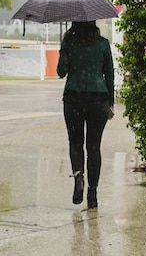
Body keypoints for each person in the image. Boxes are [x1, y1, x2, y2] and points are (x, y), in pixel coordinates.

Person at [56, 20, 115, 209]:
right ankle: (93, 194)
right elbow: (110, 75)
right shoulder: (103, 43)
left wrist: (64, 50)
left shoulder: (69, 43)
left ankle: (79, 175)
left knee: (75, 142)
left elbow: (60, 72)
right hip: (99, 98)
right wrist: (111, 103)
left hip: (74, 96)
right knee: (94, 146)